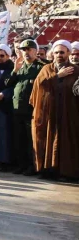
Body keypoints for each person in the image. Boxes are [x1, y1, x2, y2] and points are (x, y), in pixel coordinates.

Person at [30, 40, 79, 181]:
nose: (59, 55)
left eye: (62, 52)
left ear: (68, 53)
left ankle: (66, 172)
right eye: (56, 52)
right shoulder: (46, 69)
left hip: (68, 113)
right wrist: (58, 76)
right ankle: (48, 170)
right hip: (48, 114)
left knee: (66, 142)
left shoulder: (76, 71)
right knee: (47, 141)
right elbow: (38, 87)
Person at [4, 39, 45, 175]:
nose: (26, 52)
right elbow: (7, 84)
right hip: (17, 108)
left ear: (36, 51)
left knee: (30, 140)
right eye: (23, 50)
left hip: (31, 109)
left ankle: (32, 166)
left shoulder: (41, 66)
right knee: (19, 139)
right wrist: (15, 70)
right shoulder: (19, 67)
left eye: (29, 49)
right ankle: (21, 164)